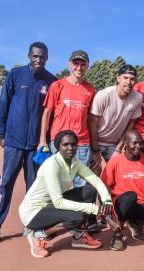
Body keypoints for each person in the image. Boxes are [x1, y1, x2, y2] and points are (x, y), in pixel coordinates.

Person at [0, 42, 56, 246]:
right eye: (35, 56)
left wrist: (47, 140)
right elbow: (4, 104)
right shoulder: (15, 75)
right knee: (6, 184)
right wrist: (1, 132)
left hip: (36, 145)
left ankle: (30, 225)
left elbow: (52, 114)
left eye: (42, 57)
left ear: (47, 58)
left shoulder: (51, 81)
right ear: (28, 55)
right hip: (14, 141)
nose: (38, 60)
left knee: (33, 188)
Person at [19, 130, 113, 258]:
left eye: (74, 144)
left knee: (89, 191)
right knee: (77, 216)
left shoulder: (75, 162)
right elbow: (58, 201)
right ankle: (39, 234)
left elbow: (95, 181)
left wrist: (107, 201)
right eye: (66, 145)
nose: (70, 148)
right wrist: (94, 209)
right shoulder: (51, 165)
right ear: (58, 146)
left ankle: (78, 236)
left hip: (52, 204)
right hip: (34, 211)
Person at [39, 50, 95, 187]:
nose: (79, 67)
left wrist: (94, 147)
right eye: (76, 63)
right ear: (70, 64)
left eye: (83, 64)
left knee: (81, 183)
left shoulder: (91, 89)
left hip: (81, 143)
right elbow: (47, 113)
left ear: (87, 66)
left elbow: (90, 119)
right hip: (59, 142)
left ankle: (80, 209)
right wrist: (42, 140)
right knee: (55, 182)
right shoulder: (57, 85)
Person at [89, 64, 142, 174]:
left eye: (132, 79)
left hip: (115, 144)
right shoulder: (104, 95)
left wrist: (118, 149)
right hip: (96, 142)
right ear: (118, 78)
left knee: (120, 174)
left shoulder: (137, 97)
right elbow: (92, 124)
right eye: (125, 78)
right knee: (96, 174)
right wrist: (95, 151)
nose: (128, 82)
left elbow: (130, 126)